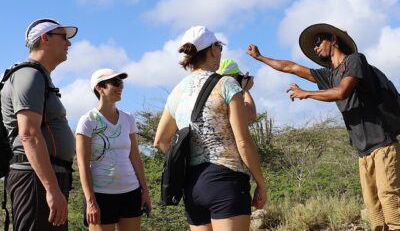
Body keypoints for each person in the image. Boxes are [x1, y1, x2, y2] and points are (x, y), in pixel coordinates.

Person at [247, 23, 400, 230]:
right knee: (373, 208)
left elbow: (342, 92)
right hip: (363, 152)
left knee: (389, 200)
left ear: (334, 40)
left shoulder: (355, 61)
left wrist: (306, 93)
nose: (316, 48)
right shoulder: (329, 76)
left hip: (382, 145)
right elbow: (291, 67)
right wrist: (260, 57)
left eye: (318, 42)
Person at [154, 26, 267, 231]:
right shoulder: (226, 84)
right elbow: (243, 141)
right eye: (220, 47)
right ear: (213, 49)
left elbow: (161, 141)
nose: (221, 51)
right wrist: (261, 181)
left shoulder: (177, 91)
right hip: (226, 178)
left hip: (193, 184)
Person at [1, 18, 78, 230]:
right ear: (45, 38)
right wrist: (52, 189)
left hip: (45, 177)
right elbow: (29, 134)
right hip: (35, 178)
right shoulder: (29, 74)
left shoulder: (40, 77)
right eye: (63, 37)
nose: (68, 44)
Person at [75, 68, 152, 231]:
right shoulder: (88, 121)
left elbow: (135, 158)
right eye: (115, 83)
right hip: (101, 195)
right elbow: (82, 163)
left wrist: (145, 191)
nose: (120, 87)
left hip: (131, 191)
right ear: (99, 88)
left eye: (121, 82)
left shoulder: (128, 119)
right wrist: (90, 201)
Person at [217, 59, 257, 123]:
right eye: (237, 76)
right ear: (232, 76)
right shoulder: (229, 91)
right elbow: (251, 117)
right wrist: (245, 90)